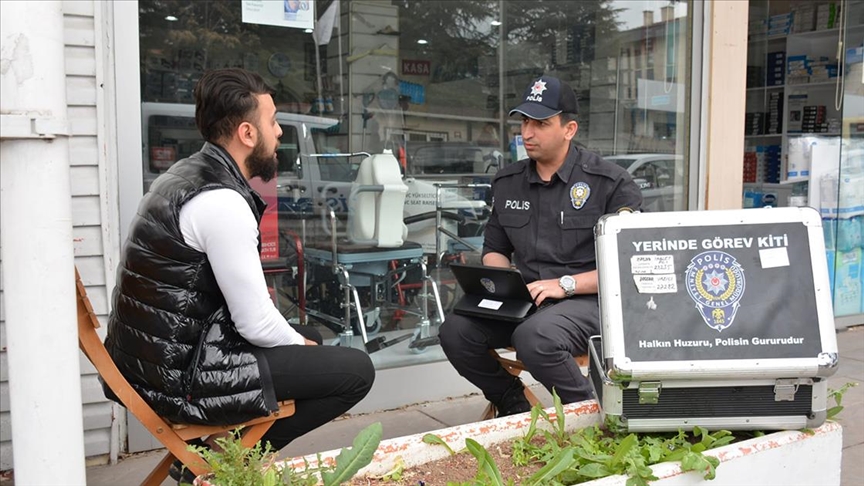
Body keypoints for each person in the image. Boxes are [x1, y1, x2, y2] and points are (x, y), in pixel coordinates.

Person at [103, 68, 375, 481]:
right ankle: (225, 464)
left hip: (152, 359)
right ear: (248, 134)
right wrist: (301, 345)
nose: (280, 132)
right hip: (178, 376)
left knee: (313, 340)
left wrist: (304, 343)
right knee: (355, 371)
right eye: (273, 121)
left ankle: (208, 458)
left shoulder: (185, 174)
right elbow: (255, 322)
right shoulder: (222, 202)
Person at [439, 75, 642, 417]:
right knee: (455, 331)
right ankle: (512, 401)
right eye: (525, 121)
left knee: (536, 337)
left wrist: (565, 285)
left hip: (589, 301)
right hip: (528, 299)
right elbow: (496, 247)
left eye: (541, 123)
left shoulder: (611, 183)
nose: (527, 133)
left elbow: (628, 264)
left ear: (569, 129)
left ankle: (592, 416)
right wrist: (502, 284)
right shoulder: (508, 182)